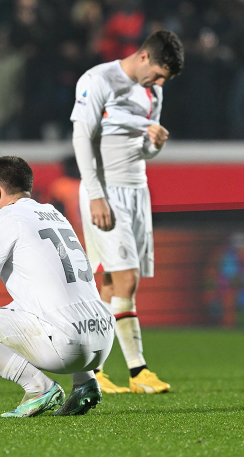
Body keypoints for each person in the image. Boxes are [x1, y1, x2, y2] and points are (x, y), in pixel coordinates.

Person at [0, 156, 113, 417]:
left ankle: (37, 387)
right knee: (38, 302)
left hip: (66, 346)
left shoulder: (0, 219)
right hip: (102, 336)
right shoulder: (53, 213)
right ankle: (84, 382)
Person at [70, 30, 184, 394]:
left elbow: (143, 149)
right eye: (159, 74)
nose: (160, 83)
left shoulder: (154, 92)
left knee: (110, 282)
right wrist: (95, 195)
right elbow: (81, 137)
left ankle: (94, 371)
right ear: (145, 57)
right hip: (106, 191)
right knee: (127, 278)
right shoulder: (98, 79)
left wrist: (154, 145)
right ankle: (139, 371)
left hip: (138, 191)